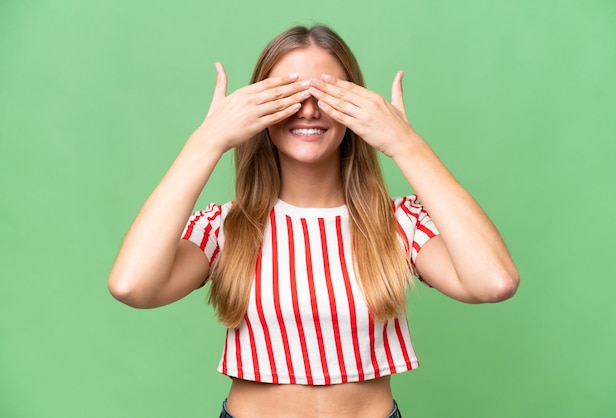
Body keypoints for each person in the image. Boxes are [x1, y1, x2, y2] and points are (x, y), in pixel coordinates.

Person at [108, 25, 519, 418]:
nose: (307, 109)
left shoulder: (399, 223)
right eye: (286, 93)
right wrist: (207, 141)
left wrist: (406, 145)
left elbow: (494, 281)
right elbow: (132, 285)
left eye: (326, 93)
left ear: (357, 107)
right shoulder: (224, 227)